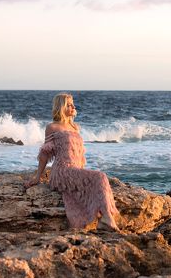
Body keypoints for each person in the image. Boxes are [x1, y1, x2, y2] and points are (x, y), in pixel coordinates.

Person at [24, 93, 120, 231]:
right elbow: (45, 154)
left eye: (73, 104)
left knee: (98, 178)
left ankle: (104, 218)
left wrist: (83, 174)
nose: (73, 107)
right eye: (69, 104)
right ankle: (106, 218)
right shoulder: (52, 127)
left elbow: (79, 153)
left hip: (75, 170)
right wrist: (37, 177)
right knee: (101, 176)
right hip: (61, 172)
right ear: (61, 107)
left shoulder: (75, 127)